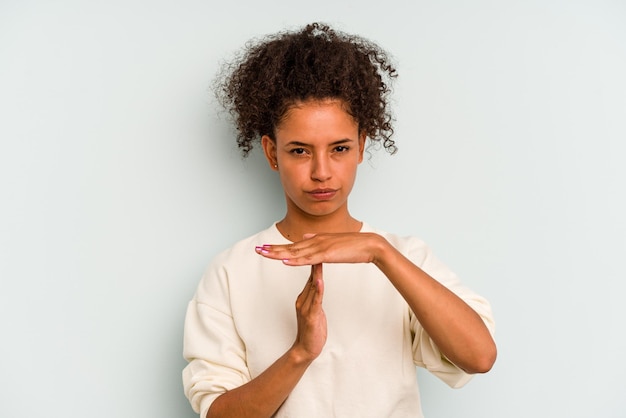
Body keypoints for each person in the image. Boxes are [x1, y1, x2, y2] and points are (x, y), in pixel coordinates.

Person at [182, 22, 496, 418]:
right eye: (299, 151)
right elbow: (220, 414)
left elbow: (479, 356)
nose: (321, 172)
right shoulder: (232, 270)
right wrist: (300, 353)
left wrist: (378, 252)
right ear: (271, 152)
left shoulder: (403, 256)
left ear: (362, 146)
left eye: (340, 148)